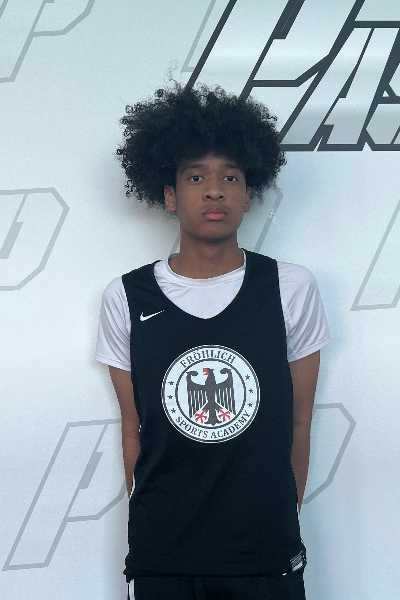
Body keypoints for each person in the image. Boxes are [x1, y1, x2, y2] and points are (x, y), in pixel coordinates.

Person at [95, 82, 331, 600]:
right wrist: (156, 526)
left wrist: (278, 518)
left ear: (248, 195)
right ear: (170, 195)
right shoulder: (126, 297)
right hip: (164, 557)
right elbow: (134, 429)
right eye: (196, 176)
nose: (214, 191)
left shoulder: (290, 287)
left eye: (231, 177)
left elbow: (299, 421)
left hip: (264, 554)